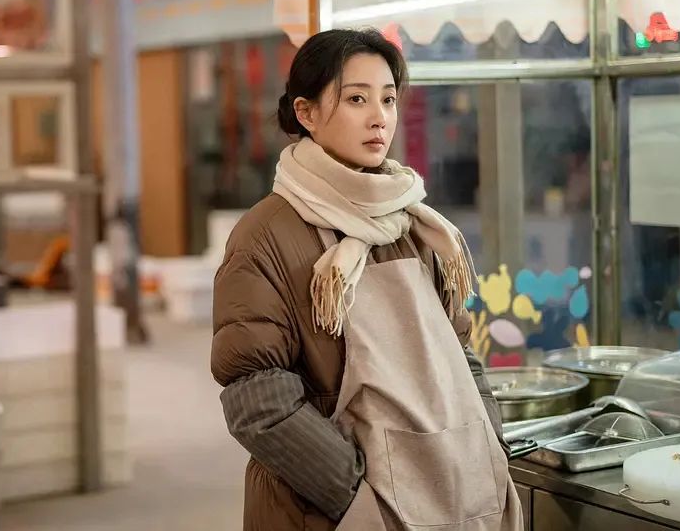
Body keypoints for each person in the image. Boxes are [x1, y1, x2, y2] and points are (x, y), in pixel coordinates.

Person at [211, 28, 522, 531]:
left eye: (389, 99)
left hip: (449, 492)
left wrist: (491, 446)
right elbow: (256, 398)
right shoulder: (265, 235)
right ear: (306, 113)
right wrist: (356, 495)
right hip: (331, 513)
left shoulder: (414, 224)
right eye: (357, 99)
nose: (380, 117)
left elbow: (459, 351)